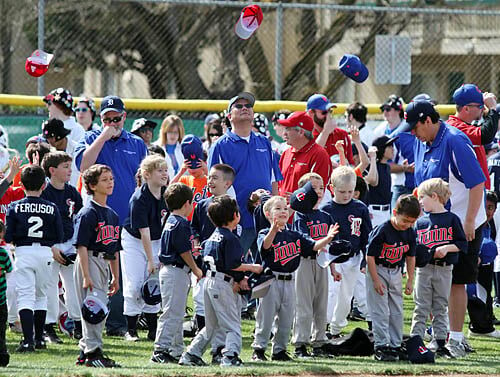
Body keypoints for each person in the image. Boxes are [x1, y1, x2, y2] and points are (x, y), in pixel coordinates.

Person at [406, 100, 487, 358]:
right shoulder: (422, 142)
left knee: (457, 281)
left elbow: (477, 183)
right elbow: (421, 187)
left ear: (428, 121)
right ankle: (437, 335)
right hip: (433, 223)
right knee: (431, 277)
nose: (413, 132)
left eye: (416, 126)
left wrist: (470, 221)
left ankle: (457, 338)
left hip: (463, 220)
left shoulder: (454, 140)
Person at [74, 95, 148, 336]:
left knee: (125, 272)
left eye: (116, 118)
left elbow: (143, 178)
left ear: (124, 117)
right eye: (107, 119)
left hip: (128, 218)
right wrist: (103, 136)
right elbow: (84, 166)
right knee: (99, 269)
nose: (113, 123)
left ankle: (121, 324)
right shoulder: (90, 138)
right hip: (99, 217)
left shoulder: (136, 143)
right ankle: (94, 322)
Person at [178, 195, 262, 367]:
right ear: (235, 216)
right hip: (222, 284)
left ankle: (191, 354)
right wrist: (251, 269)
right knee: (232, 324)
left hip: (209, 282)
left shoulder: (210, 238)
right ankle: (230, 356)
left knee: (211, 326)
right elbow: (234, 264)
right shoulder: (231, 238)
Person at [253, 195, 338, 361]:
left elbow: (313, 246)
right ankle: (259, 350)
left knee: (286, 319)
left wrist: (327, 238)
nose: (283, 211)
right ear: (268, 214)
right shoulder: (264, 232)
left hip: (290, 280)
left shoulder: (294, 234)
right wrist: (273, 229)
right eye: (278, 209)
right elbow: (266, 245)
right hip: (271, 280)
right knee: (266, 318)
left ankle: (279, 350)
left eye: (285, 208)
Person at [208, 92, 282, 254]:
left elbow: (273, 179)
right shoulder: (220, 145)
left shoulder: (264, 142)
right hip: (236, 220)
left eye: (248, 106)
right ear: (229, 116)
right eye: (239, 106)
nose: (245, 108)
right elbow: (214, 187)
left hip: (264, 219)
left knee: (265, 271)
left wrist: (275, 212)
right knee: (234, 268)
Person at [5, 165, 63, 352]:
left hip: (23, 252)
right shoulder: (52, 207)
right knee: (40, 296)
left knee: (25, 296)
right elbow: (59, 235)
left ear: (21, 185)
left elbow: (7, 237)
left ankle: (28, 340)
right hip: (45, 253)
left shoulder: (15, 206)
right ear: (44, 186)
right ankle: (39, 339)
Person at [410, 178, 467, 357]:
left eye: (422, 197)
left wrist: (446, 248)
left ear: (434, 196)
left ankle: (440, 341)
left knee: (440, 306)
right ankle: (416, 340)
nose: (420, 202)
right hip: (424, 269)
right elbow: (414, 249)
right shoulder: (421, 222)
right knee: (421, 306)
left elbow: (462, 244)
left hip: (444, 268)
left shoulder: (451, 219)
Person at [73, 164, 121, 368]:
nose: (110, 182)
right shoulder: (88, 212)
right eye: (104, 180)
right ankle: (94, 354)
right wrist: (86, 275)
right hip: (89, 260)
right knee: (94, 309)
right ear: (92, 185)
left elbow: (114, 250)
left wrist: (116, 276)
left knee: (98, 307)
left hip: (103, 261)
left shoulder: (112, 214)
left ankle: (86, 350)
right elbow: (82, 246)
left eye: (111, 178)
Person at [151, 183, 203, 364]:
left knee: (176, 313)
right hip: (175, 270)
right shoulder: (180, 222)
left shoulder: (171, 220)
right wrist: (196, 269)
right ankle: (160, 349)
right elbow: (183, 251)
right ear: (187, 203)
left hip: (172, 270)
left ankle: (175, 350)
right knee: (172, 313)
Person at [366, 194, 419, 361]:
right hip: (378, 269)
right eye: (405, 220)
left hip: (396, 271)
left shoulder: (409, 232)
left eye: (412, 222)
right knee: (380, 310)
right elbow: (370, 257)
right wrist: (375, 280)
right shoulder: (383, 230)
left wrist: (410, 279)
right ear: (395, 212)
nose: (408, 225)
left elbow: (411, 257)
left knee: (397, 310)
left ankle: (396, 345)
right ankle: (381, 345)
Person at [121, 154, 168, 342]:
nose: (165, 174)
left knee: (154, 283)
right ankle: (130, 330)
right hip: (135, 241)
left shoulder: (167, 193)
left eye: (165, 170)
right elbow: (144, 232)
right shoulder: (139, 198)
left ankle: (152, 329)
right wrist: (150, 260)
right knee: (134, 284)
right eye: (160, 170)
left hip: (156, 240)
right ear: (147, 174)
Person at [321, 166, 372, 338]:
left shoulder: (360, 208)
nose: (346, 195)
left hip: (353, 257)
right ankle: (324, 327)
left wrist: (365, 260)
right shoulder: (326, 209)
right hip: (332, 258)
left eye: (350, 191)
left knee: (347, 295)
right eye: (342, 191)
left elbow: (367, 236)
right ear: (332, 188)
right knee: (331, 294)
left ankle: (336, 329)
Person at [290, 174, 338, 358]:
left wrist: (333, 268)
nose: (318, 192)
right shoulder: (300, 215)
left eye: (320, 188)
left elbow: (328, 248)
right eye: (313, 188)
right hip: (304, 262)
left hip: (322, 263)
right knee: (304, 304)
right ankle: (300, 344)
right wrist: (328, 238)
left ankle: (319, 342)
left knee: (321, 304)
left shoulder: (325, 215)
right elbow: (306, 243)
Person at [40, 151, 83, 343]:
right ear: (52, 170)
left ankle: (78, 324)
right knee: (48, 287)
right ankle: (48, 326)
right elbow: (40, 225)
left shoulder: (72, 192)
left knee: (74, 286)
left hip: (69, 244)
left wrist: (74, 245)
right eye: (65, 166)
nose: (69, 170)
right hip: (48, 246)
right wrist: (51, 247)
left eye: (69, 166)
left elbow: (79, 219)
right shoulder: (44, 193)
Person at [190, 163, 235, 334]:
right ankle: (201, 328)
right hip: (204, 259)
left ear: (227, 183)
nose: (210, 181)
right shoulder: (202, 204)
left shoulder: (231, 205)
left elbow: (235, 231)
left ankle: (222, 330)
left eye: (215, 178)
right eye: (209, 177)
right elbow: (193, 228)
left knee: (224, 298)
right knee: (200, 297)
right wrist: (195, 243)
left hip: (223, 260)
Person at [447, 84, 499, 190]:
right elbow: (485, 136)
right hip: (467, 194)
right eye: (480, 106)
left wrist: (487, 113)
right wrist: (492, 109)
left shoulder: (464, 125)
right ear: (466, 109)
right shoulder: (455, 127)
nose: (482, 108)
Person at [467, 190, 500, 338]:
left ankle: (483, 323)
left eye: (490, 207)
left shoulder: (492, 224)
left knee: (485, 289)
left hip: (483, 263)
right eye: (484, 207)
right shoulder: (470, 221)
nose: (487, 211)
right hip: (465, 262)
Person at [277, 111, 331, 200]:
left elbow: (317, 192)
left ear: (301, 132)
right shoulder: (286, 153)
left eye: (288, 129)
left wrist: (296, 200)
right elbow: (280, 185)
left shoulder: (319, 154)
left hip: (306, 213)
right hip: (284, 211)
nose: (284, 133)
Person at [306, 94, 353, 165]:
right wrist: (325, 132)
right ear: (311, 113)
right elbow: (311, 158)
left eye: (330, 111)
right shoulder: (304, 135)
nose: (328, 116)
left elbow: (351, 164)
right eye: (324, 112)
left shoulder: (342, 134)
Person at [367, 136, 396, 227]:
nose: (392, 149)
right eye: (389, 146)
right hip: (374, 212)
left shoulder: (387, 167)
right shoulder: (372, 166)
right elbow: (371, 181)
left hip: (387, 212)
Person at [42, 118, 80, 187]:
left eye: (51, 137)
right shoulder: (48, 152)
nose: (49, 140)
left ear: (59, 135)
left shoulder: (77, 150)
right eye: (47, 138)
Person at [155, 115, 185, 180]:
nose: (173, 135)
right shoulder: (155, 148)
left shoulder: (184, 148)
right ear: (164, 132)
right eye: (170, 132)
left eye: (176, 132)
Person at [0, 220, 12, 366]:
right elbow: (9, 269)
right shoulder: (2, 253)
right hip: (1, 299)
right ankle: (2, 355)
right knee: (1, 331)